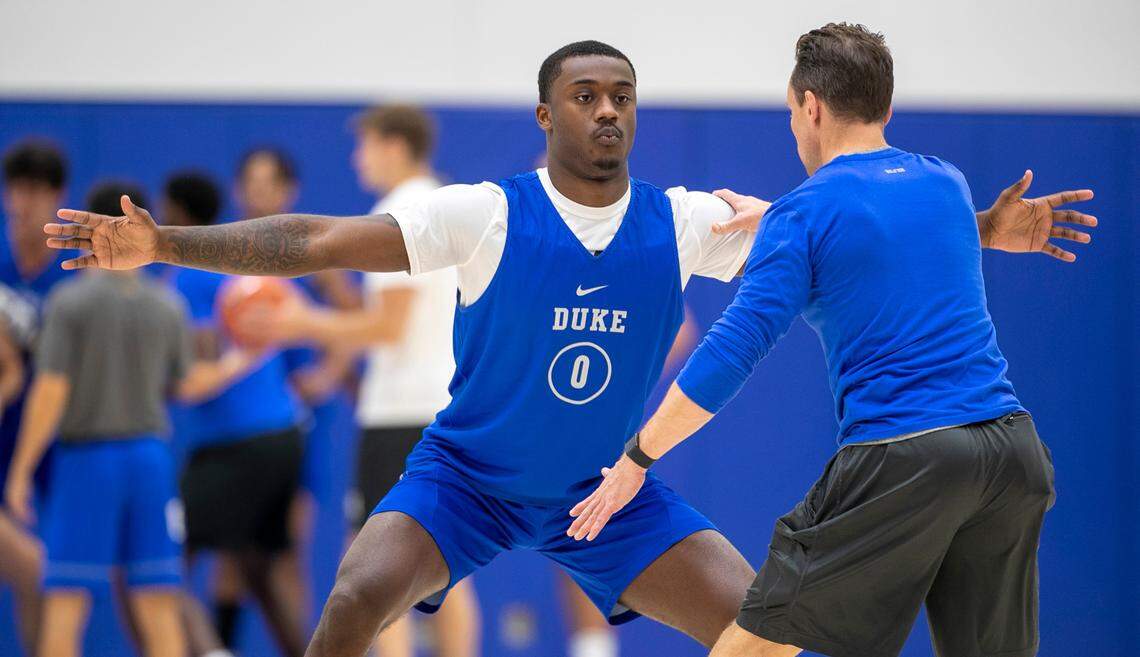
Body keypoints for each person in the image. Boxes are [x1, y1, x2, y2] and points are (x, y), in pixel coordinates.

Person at [44, 40, 1092, 657]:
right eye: (586, 97)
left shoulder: (684, 220)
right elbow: (314, 239)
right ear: (548, 114)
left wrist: (983, 229)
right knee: (357, 598)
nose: (606, 112)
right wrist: (162, 245)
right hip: (469, 482)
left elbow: (850, 233)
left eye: (622, 97)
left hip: (614, 499)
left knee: (766, 640)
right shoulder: (481, 214)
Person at [569, 24, 1096, 657]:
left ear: (811, 106)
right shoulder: (944, 182)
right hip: (1012, 455)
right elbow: (882, 224)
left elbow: (732, 350)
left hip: (906, 456)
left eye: (792, 112)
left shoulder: (808, 211)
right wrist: (984, 227)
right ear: (887, 108)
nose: (794, 128)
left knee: (757, 647)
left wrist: (638, 458)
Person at [243, 104, 482, 657]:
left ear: (395, 146)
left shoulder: (401, 211)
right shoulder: (455, 203)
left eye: (365, 145)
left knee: (377, 566)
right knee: (448, 564)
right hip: (448, 405)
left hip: (401, 414)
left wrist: (301, 323)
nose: (357, 159)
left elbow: (389, 325)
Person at [3, 181, 261, 657]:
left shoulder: (70, 301)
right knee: (159, 609)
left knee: (66, 606)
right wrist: (241, 360)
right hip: (149, 460)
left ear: (89, 229)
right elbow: (185, 386)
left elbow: (51, 389)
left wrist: (20, 470)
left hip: (87, 461)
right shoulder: (166, 304)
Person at [164, 160, 310, 657]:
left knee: (162, 560)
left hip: (236, 443)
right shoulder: (244, 262)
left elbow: (196, 373)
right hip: (283, 435)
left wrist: (229, 365)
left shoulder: (189, 276)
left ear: (173, 215)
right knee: (259, 570)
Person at [0, 139, 74, 655]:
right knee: (31, 571)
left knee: (49, 581)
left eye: (34, 190)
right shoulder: (2, 265)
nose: (22, 202)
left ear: (56, 197)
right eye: (15, 189)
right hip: (6, 434)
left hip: (54, 442)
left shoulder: (73, 272)